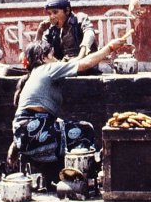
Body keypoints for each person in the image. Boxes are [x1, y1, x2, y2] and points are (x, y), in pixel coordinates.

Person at [11, 34, 129, 174]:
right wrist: (109, 47)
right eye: (53, 55)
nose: (56, 59)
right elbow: (85, 64)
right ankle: (82, 176)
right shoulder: (48, 69)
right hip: (35, 132)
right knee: (85, 130)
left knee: (67, 127)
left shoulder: (35, 74)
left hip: (24, 134)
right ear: (43, 58)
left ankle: (61, 175)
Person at [35, 0, 98, 65]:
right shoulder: (53, 29)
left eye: (55, 12)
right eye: (49, 14)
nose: (52, 17)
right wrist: (40, 32)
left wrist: (80, 57)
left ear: (67, 11)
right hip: (65, 66)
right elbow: (40, 50)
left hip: (85, 65)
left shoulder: (79, 19)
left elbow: (89, 34)